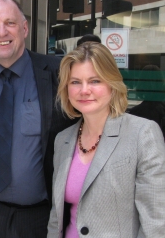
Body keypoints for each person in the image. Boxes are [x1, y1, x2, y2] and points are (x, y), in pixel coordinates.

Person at [0, 0, 75, 238]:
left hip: (41, 217)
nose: (1, 32)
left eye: (9, 23)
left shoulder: (57, 73)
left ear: (25, 27)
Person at [47, 42, 165, 238]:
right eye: (75, 82)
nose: (84, 90)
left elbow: (156, 224)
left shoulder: (143, 134)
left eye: (94, 81)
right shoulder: (63, 140)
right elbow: (57, 217)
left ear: (112, 84)